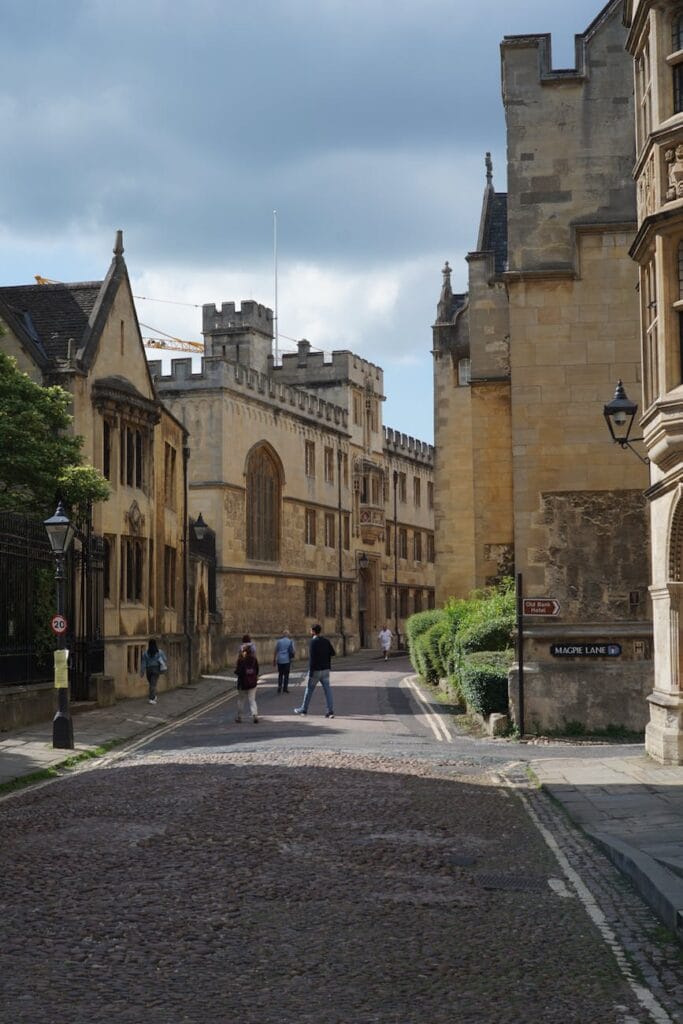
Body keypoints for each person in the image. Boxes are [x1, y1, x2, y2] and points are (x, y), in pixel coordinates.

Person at [294, 624, 336, 718]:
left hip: (316, 670)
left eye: (311, 630)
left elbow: (312, 658)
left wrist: (311, 671)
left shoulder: (313, 642)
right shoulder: (326, 641)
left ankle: (304, 709)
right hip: (325, 669)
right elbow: (333, 653)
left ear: (313, 631)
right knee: (327, 691)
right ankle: (330, 711)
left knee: (309, 690)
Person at [234, 641, 259, 723]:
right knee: (252, 700)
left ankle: (239, 717)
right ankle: (255, 715)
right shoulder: (254, 659)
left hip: (242, 683)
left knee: (241, 700)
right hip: (252, 683)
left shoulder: (241, 660)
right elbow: (257, 670)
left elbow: (238, 671)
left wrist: (236, 672)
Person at [140, 638, 167, 705]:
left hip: (148, 670)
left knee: (151, 684)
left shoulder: (145, 653)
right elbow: (165, 659)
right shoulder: (159, 652)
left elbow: (143, 663)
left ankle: (153, 696)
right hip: (156, 669)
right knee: (153, 684)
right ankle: (151, 698)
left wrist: (142, 672)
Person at [273, 629, 295, 694]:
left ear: (283, 635)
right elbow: (293, 651)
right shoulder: (290, 641)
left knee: (280, 674)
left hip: (280, 660)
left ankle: (279, 686)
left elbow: (275, 651)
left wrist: (274, 659)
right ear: (288, 635)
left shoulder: (279, 641)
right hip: (287, 660)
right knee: (286, 675)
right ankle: (285, 688)